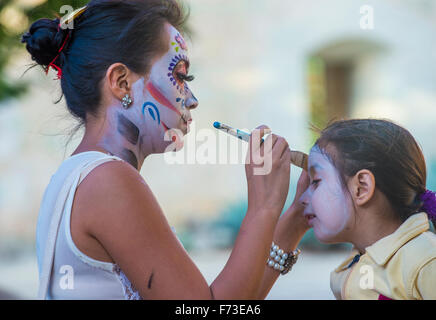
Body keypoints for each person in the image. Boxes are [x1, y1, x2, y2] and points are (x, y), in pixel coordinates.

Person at [22, 0, 310, 299]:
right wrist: (263, 206)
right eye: (181, 77)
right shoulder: (108, 181)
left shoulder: (78, 174)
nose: (192, 98)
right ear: (121, 82)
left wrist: (296, 219)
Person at [299, 118, 436, 300]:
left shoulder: (425, 262)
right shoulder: (354, 262)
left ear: (361, 187)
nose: (302, 198)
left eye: (316, 182)